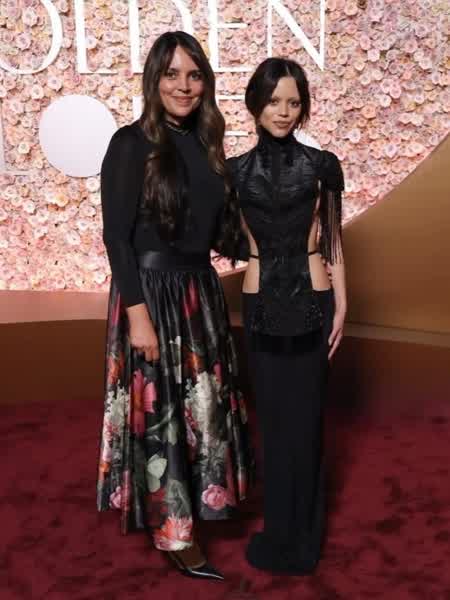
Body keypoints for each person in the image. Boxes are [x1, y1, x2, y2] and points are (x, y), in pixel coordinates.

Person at [96, 31, 252, 581]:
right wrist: (137, 315)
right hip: (150, 294)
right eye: (172, 75)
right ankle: (175, 532)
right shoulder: (130, 143)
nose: (184, 86)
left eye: (194, 75)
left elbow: (221, 234)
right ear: (154, 80)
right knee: (162, 414)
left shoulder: (209, 144)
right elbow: (116, 237)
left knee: (201, 409)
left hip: (199, 294)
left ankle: (197, 509)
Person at [227, 57, 346, 575]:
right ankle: (278, 529)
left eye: (294, 102)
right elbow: (224, 236)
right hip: (260, 303)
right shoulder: (232, 172)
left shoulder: (323, 166)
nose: (284, 111)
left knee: (308, 421)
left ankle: (306, 535)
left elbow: (333, 240)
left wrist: (344, 302)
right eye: (274, 100)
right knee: (273, 424)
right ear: (256, 103)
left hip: (313, 298)